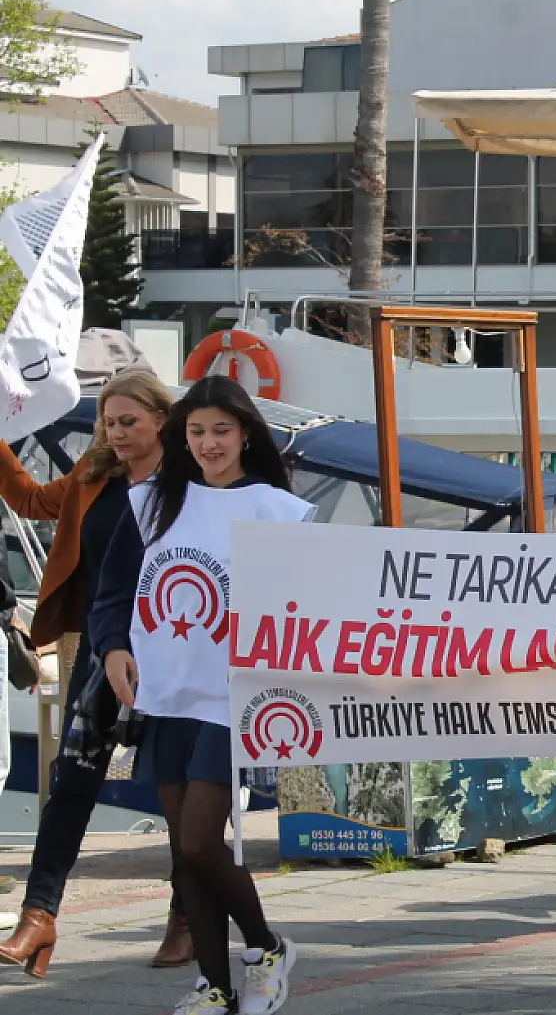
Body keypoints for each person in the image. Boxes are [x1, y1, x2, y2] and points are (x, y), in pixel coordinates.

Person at [90, 376, 314, 1015]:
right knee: (183, 853)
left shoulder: (275, 510)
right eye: (196, 432)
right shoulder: (152, 502)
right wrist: (113, 648)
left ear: (245, 434)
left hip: (231, 700)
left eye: (221, 430)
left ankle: (266, 947)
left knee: (198, 841)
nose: (209, 444)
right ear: (180, 436)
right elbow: (113, 593)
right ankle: (213, 986)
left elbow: (303, 607)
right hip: (163, 696)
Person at [0, 370, 187, 979]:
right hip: (102, 644)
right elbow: (31, 501)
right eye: (108, 423)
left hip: (176, 650)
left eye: (128, 421)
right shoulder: (94, 474)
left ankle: (186, 913)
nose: (116, 434)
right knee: (72, 779)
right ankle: (38, 916)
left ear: (161, 419)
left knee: (178, 786)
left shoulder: (190, 485)